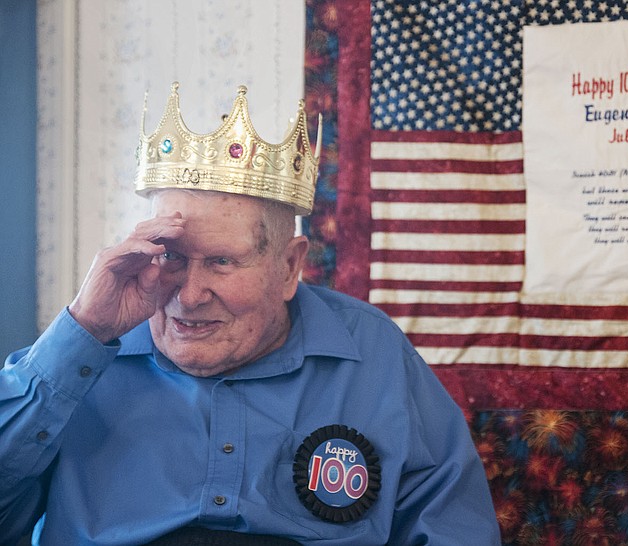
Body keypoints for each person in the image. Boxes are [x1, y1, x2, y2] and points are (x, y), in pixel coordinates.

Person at [0, 83, 501, 545]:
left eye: (221, 262)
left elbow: (453, 528)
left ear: (289, 266)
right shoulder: (85, 353)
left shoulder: (373, 354)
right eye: (170, 255)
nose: (188, 296)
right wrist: (82, 332)